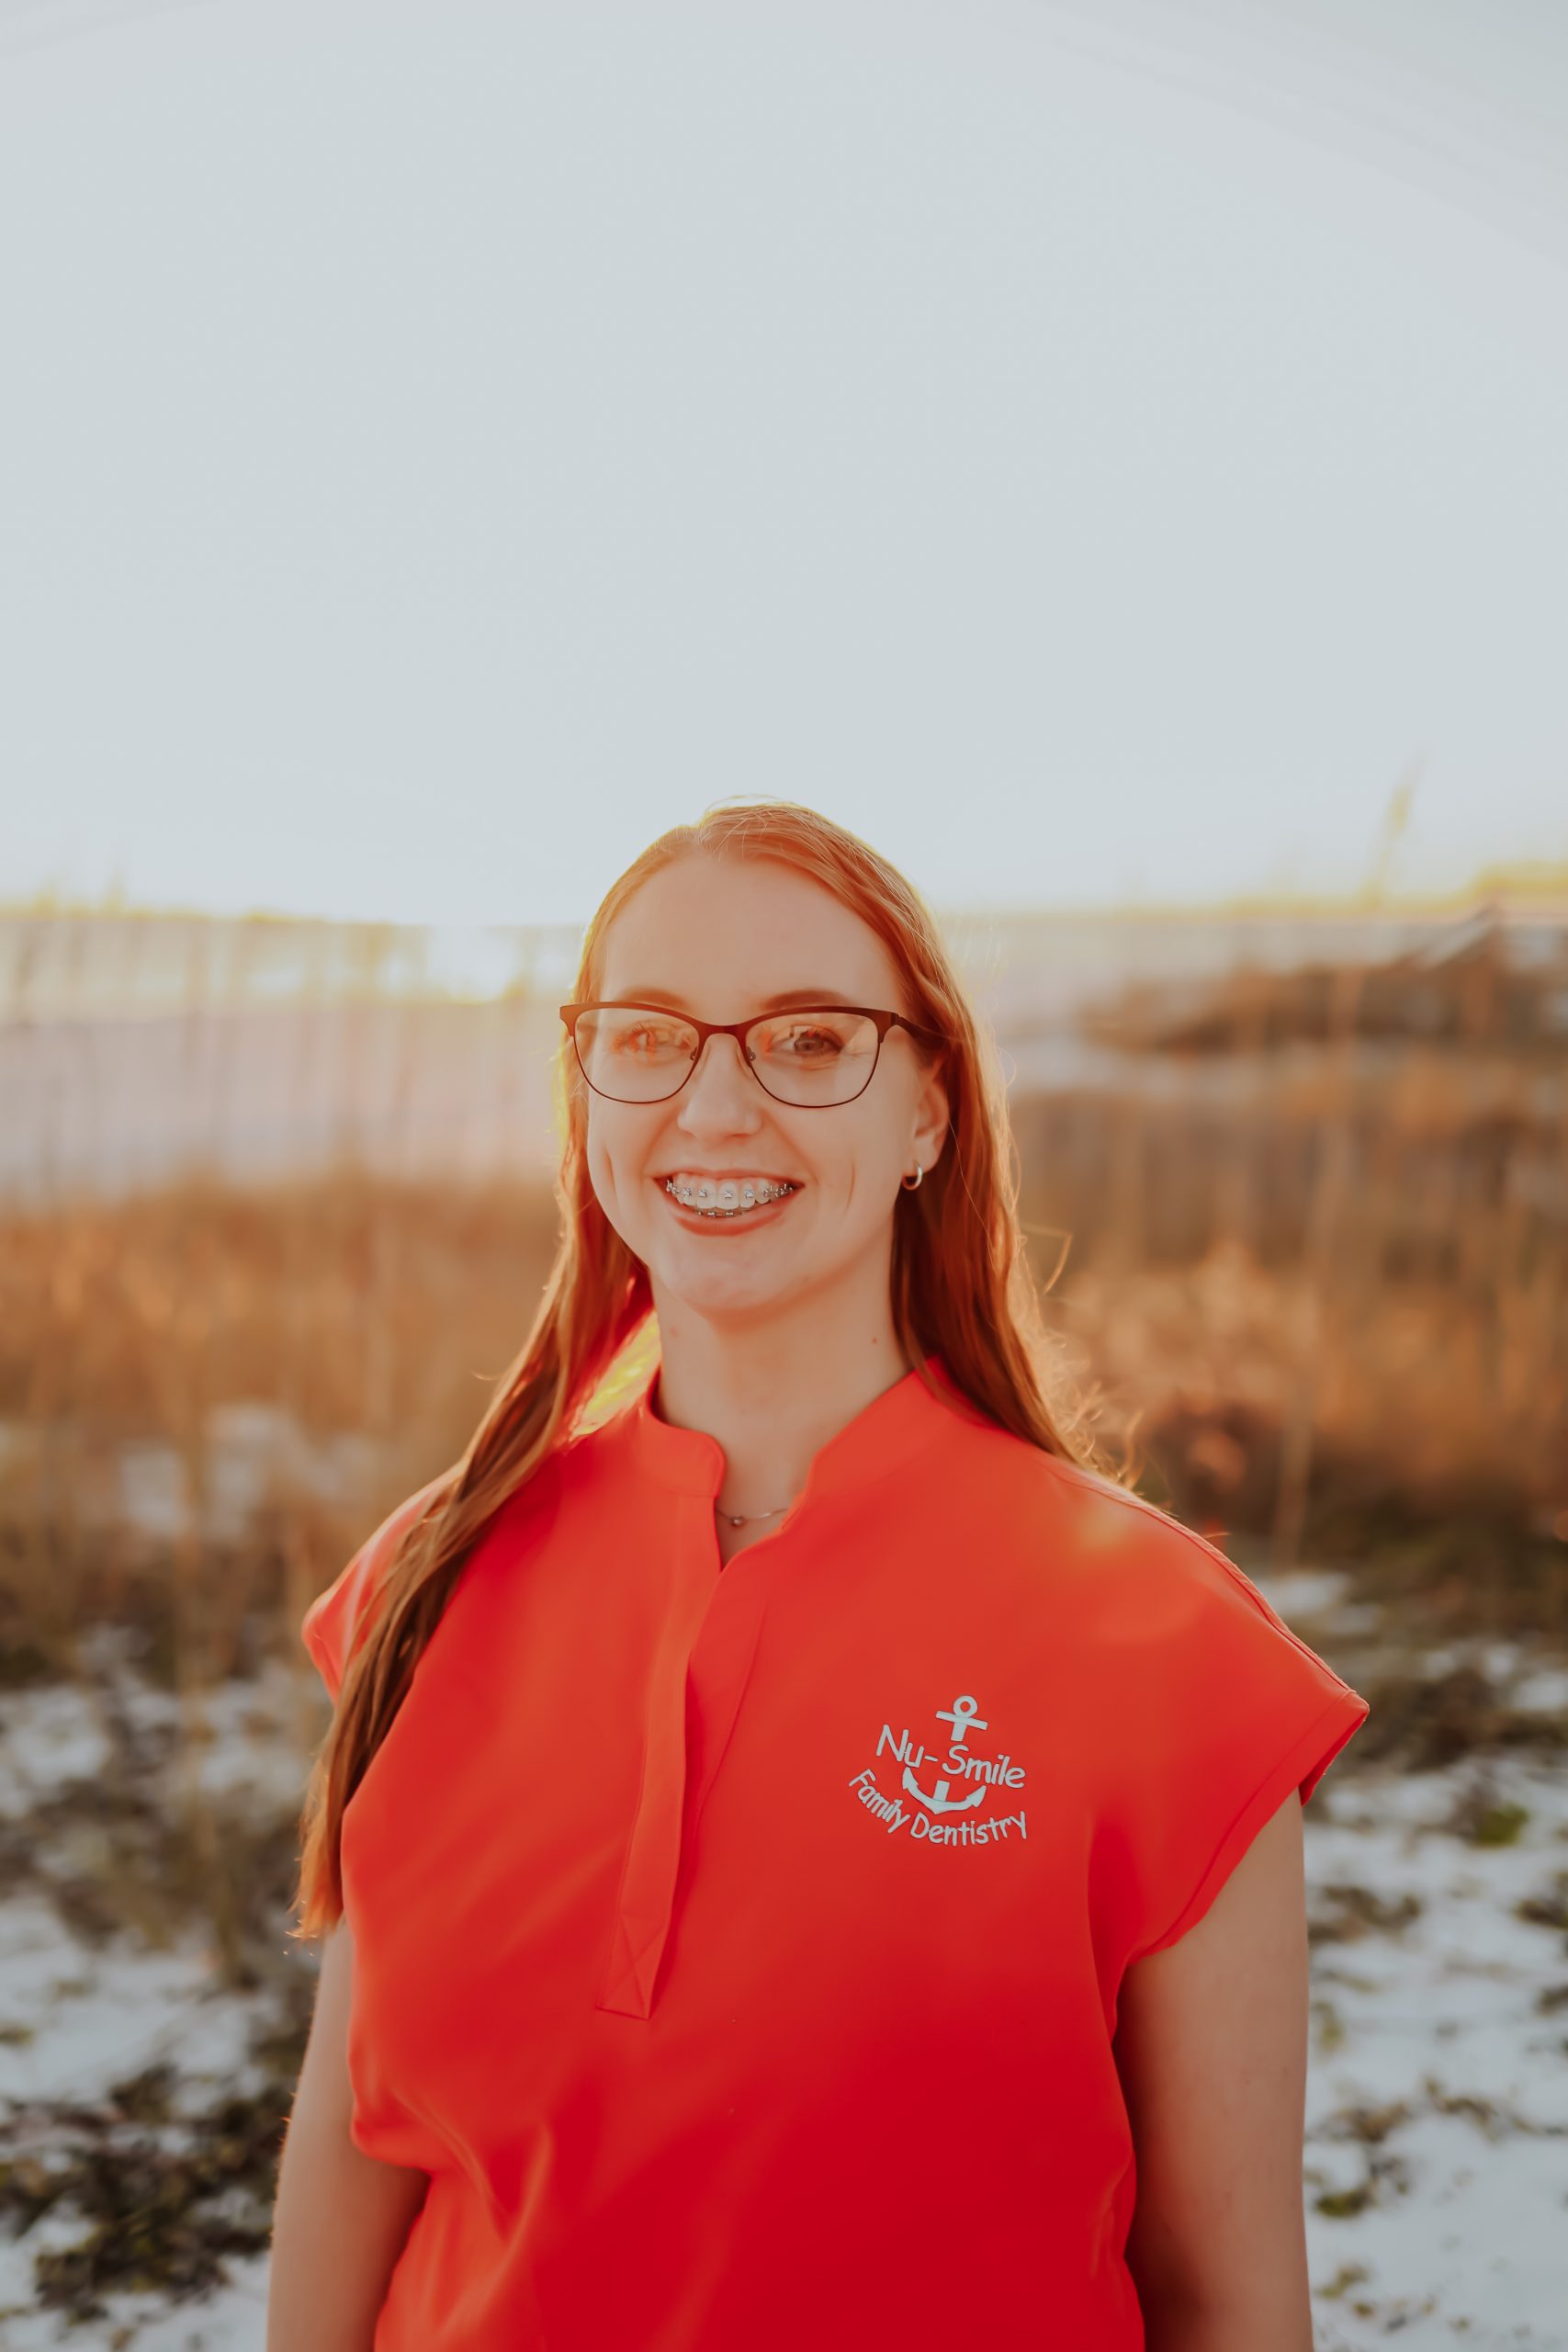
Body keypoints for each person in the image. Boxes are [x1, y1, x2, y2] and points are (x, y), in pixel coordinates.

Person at [269, 797, 1369, 2351]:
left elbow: (1228, 2304)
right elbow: (352, 2154)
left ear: (930, 1108)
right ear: (586, 1085)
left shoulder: (1171, 1654)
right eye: (649, 1035)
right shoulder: (428, 1578)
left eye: (806, 1041)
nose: (716, 1107)